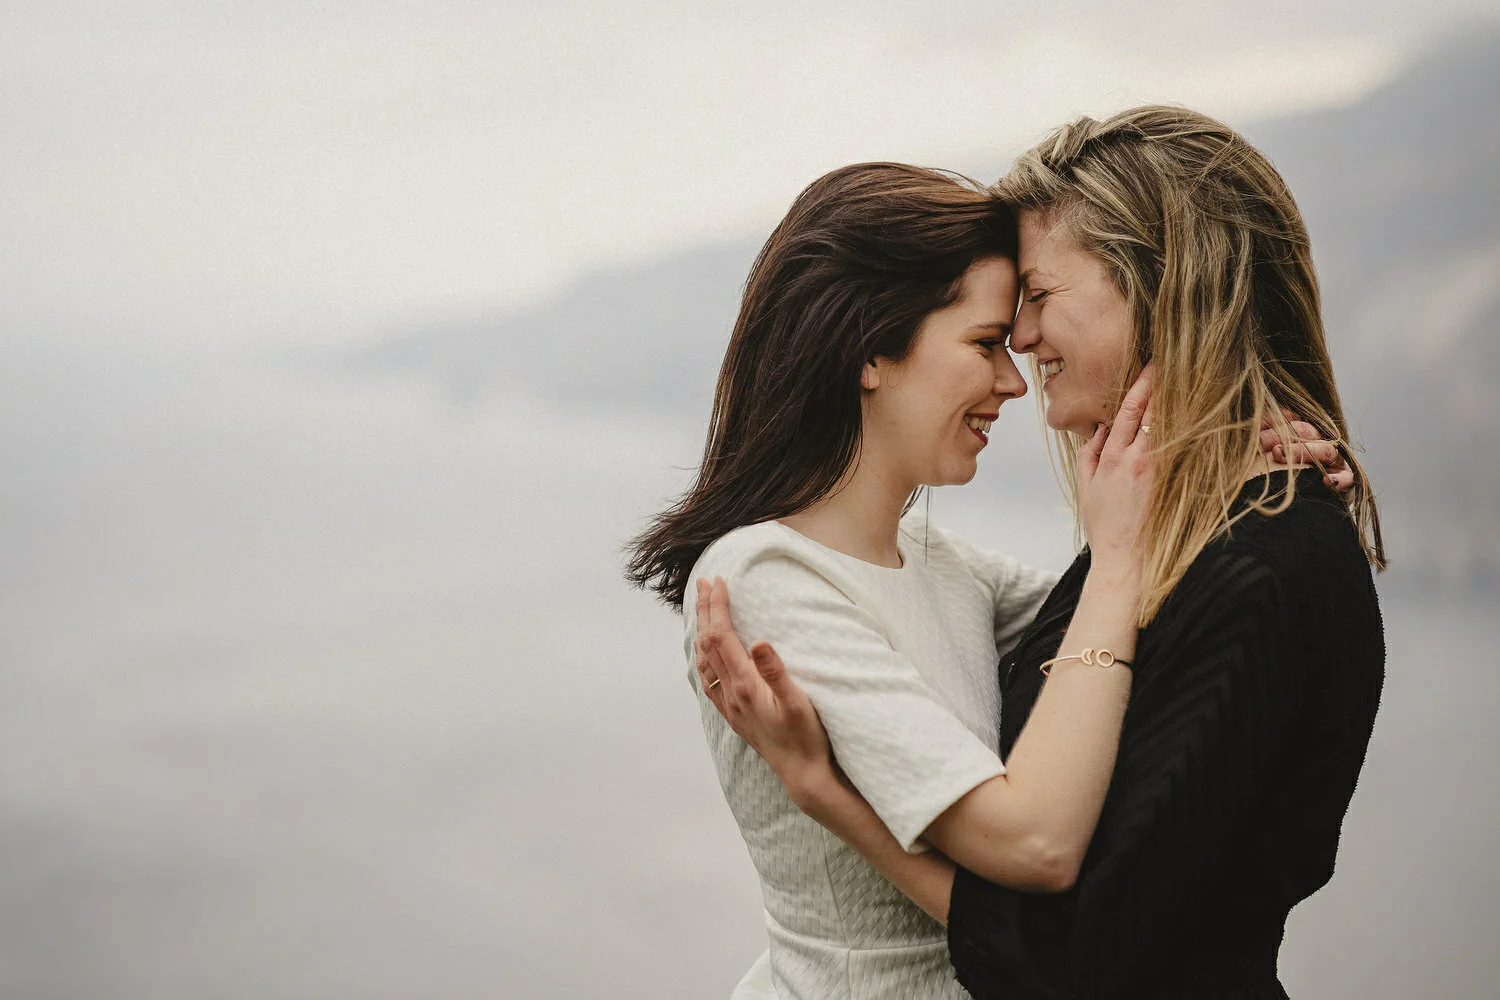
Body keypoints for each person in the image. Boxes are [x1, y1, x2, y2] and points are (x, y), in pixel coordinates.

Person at [696, 107, 1385, 1000]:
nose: (1018, 355)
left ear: (1158, 286)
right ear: (869, 350)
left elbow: (1081, 944)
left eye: (1035, 299)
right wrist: (1188, 482)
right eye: (987, 338)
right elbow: (1097, 652)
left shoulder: (1240, 569)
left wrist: (1225, 450)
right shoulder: (776, 575)